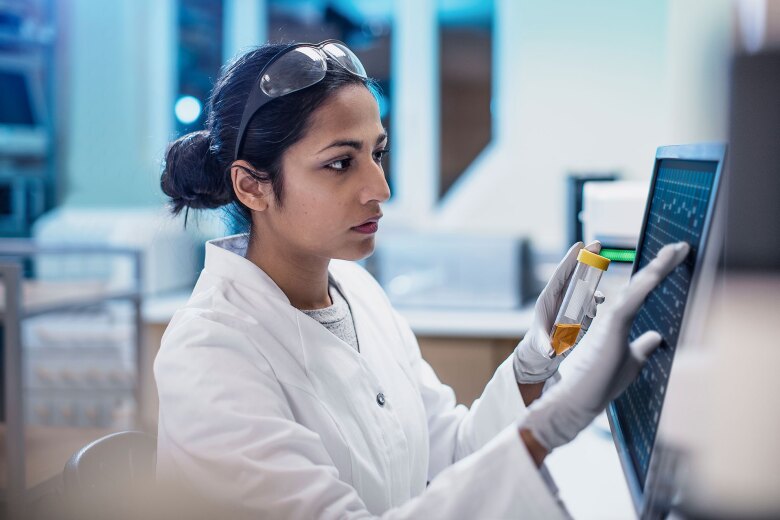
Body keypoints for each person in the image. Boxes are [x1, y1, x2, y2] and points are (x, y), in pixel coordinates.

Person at [155, 40, 689, 519]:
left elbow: (453, 454)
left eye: (378, 152)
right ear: (251, 186)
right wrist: (547, 429)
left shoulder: (358, 292)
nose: (380, 188)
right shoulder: (210, 352)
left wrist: (536, 361)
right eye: (341, 163)